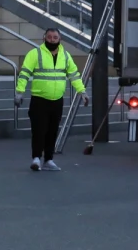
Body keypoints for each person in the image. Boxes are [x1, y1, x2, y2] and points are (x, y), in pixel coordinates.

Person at [15, 27, 88, 171]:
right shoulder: (35, 54)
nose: (52, 40)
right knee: (39, 130)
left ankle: (48, 160)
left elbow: (74, 75)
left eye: (55, 37)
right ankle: (36, 158)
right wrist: (19, 92)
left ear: (60, 39)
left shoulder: (65, 56)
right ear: (44, 38)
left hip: (57, 99)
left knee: (52, 131)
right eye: (49, 37)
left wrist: (82, 92)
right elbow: (24, 73)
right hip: (39, 99)